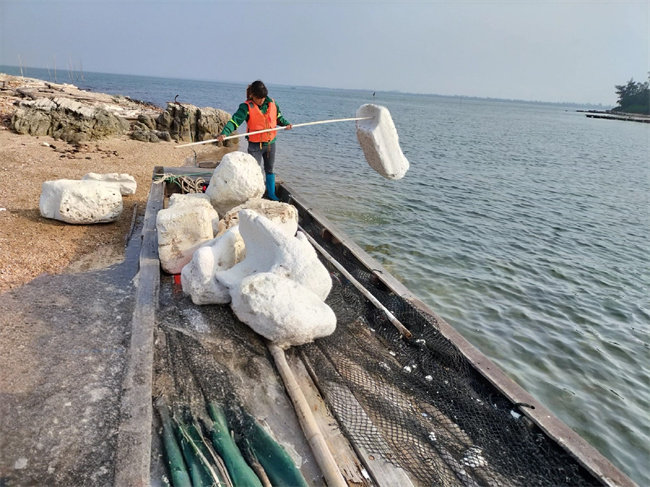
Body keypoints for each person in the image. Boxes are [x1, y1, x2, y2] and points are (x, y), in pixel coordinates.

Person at [217, 80, 292, 201]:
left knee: (270, 169)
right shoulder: (246, 107)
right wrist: (225, 133)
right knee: (253, 171)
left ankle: (271, 193)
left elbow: (278, 118)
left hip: (270, 144)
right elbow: (234, 121)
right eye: (258, 98)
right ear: (252, 95)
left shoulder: (273, 103)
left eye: (263, 97)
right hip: (255, 146)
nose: (261, 100)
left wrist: (286, 124)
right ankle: (254, 195)